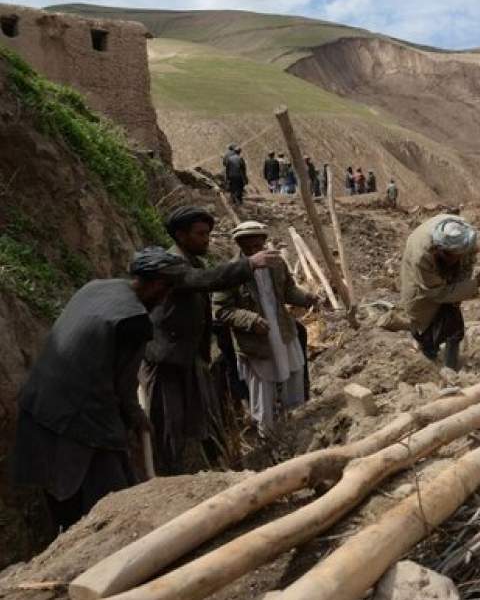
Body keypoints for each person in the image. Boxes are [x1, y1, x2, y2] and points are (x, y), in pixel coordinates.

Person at [11, 248, 188, 531]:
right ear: (157, 285)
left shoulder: (98, 287)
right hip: (79, 418)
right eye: (167, 290)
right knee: (111, 505)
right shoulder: (133, 320)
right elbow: (124, 386)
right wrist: (138, 417)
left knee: (66, 499)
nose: (165, 298)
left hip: (38, 405)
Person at [139, 207, 283, 474]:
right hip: (166, 360)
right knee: (168, 427)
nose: (207, 239)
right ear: (181, 236)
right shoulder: (171, 265)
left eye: (208, 233)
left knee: (202, 418)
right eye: (201, 234)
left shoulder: (191, 261)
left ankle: (210, 471)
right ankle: (170, 481)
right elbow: (206, 281)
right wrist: (250, 264)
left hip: (188, 358)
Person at [214, 222, 321, 437]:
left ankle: (296, 426)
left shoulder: (276, 263)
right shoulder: (231, 271)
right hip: (256, 341)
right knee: (262, 387)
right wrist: (251, 320)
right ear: (239, 245)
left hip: (282, 331)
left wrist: (308, 298)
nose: (255, 250)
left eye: (258, 245)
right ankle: (267, 435)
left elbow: (288, 291)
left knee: (295, 375)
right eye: (249, 247)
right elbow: (220, 310)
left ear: (264, 242)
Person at [400, 215, 480, 371]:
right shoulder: (422, 258)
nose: (456, 260)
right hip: (422, 286)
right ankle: (429, 356)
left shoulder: (464, 235)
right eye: (453, 257)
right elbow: (438, 293)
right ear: (441, 250)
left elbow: (468, 263)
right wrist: (476, 283)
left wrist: (461, 286)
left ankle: (450, 368)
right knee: (423, 319)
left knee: (454, 326)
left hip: (443, 281)